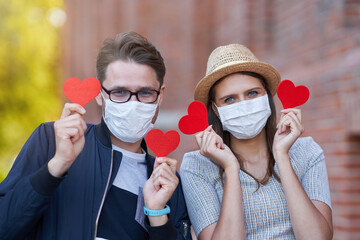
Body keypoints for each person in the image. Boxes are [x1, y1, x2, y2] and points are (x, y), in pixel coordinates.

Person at [0, 32, 191, 240]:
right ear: (100, 94)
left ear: (160, 95)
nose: (132, 103)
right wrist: (57, 165)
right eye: (119, 92)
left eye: (145, 92)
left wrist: (156, 213)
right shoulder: (50, 141)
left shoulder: (167, 182)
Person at [180, 44, 333, 239]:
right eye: (229, 99)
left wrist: (282, 156)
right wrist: (230, 168)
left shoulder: (307, 151)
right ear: (216, 109)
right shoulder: (197, 166)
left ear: (267, 96)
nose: (243, 105)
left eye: (252, 93)